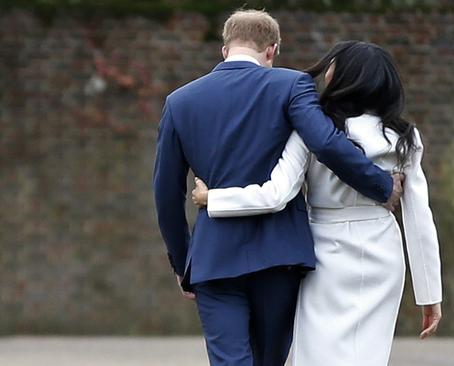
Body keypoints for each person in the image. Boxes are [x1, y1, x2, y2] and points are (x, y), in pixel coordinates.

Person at [153, 11, 403, 366]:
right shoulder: (291, 85)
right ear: (271, 50)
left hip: (214, 257)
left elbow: (166, 195)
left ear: (224, 50)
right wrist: (381, 186)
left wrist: (182, 263)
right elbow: (326, 143)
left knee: (230, 360)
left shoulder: (179, 102)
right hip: (279, 254)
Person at [192, 41, 443, 366]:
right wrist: (430, 296)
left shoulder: (313, 131)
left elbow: (275, 194)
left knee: (316, 349)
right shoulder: (404, 137)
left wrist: (215, 198)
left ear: (345, 77)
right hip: (383, 248)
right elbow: (419, 218)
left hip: (326, 249)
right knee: (368, 352)